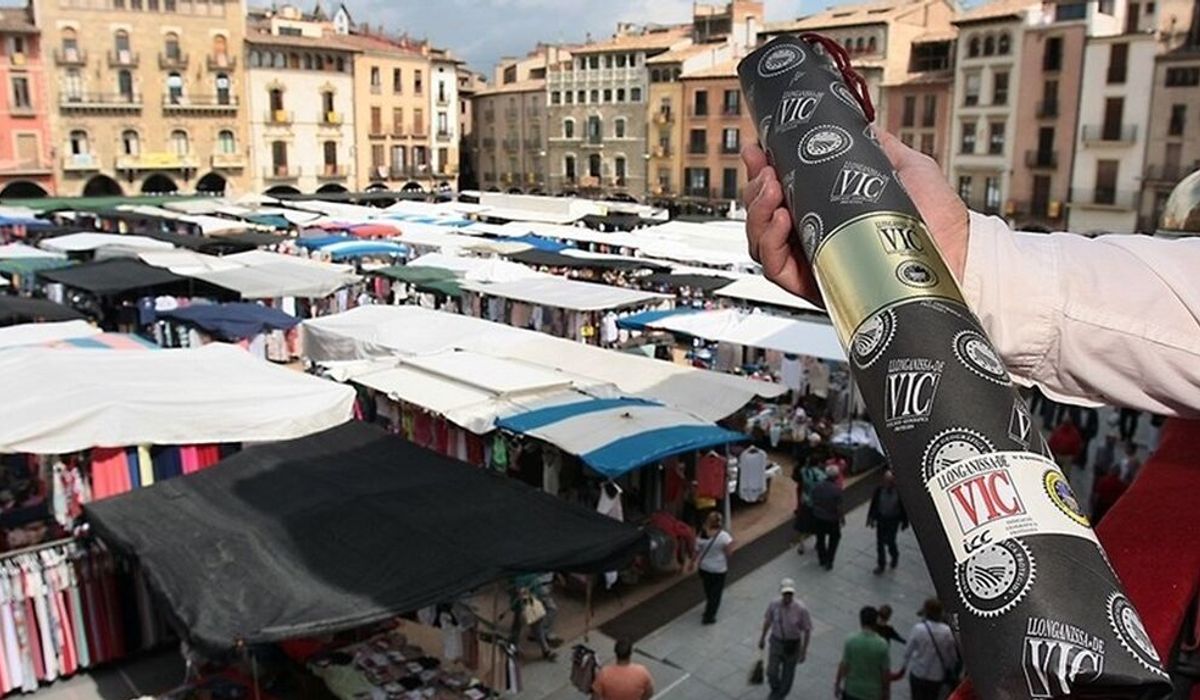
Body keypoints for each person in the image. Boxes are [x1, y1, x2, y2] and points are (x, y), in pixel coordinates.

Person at [758, 578, 813, 700]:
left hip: (792, 645)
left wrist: (804, 651)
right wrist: (762, 637)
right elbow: (768, 620)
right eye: (785, 593)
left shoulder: (801, 609)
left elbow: (807, 630)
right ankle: (775, 689)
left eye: (790, 593)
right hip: (776, 641)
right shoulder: (774, 604)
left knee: (787, 676)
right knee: (771, 672)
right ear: (781, 593)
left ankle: (779, 696)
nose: (787, 596)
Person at [899, 599, 959, 700]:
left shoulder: (918, 629)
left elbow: (908, 651)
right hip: (936, 676)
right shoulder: (947, 632)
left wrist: (903, 668)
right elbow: (952, 657)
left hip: (918, 672)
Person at [836, 607, 891, 700]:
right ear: (875, 622)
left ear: (860, 621)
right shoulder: (882, 645)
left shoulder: (851, 640)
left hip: (852, 691)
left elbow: (844, 666)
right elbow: (885, 673)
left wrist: (837, 684)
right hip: (873, 694)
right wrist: (886, 693)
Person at [689, 510, 733, 624]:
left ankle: (709, 607)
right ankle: (709, 615)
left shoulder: (702, 534)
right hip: (719, 569)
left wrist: (692, 563)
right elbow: (729, 553)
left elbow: (696, 551)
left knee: (708, 590)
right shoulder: (724, 536)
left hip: (704, 568)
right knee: (716, 593)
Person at [866, 470, 908, 575]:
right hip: (881, 519)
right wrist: (871, 518)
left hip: (893, 520)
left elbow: (904, 509)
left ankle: (894, 555)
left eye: (890, 481)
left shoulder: (900, 492)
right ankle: (881, 565)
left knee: (890, 541)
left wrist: (905, 522)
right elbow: (874, 504)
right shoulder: (879, 490)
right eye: (886, 481)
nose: (887, 483)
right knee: (880, 543)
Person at [508, 573, 555, 661]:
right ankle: (513, 645)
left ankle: (545, 649)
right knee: (519, 624)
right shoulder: (519, 575)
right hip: (523, 600)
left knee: (533, 624)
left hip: (530, 599)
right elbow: (517, 586)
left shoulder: (529, 573)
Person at [809, 465, 844, 570]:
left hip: (818, 517)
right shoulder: (837, 490)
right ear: (836, 477)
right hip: (832, 519)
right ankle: (830, 560)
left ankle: (822, 558)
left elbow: (813, 499)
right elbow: (839, 507)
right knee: (834, 538)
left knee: (820, 538)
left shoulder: (817, 486)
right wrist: (841, 517)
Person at [792, 456, 826, 555]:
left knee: (803, 526)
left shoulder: (804, 472)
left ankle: (801, 545)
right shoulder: (822, 475)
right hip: (818, 504)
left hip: (806, 502)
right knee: (818, 526)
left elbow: (799, 472)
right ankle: (817, 544)